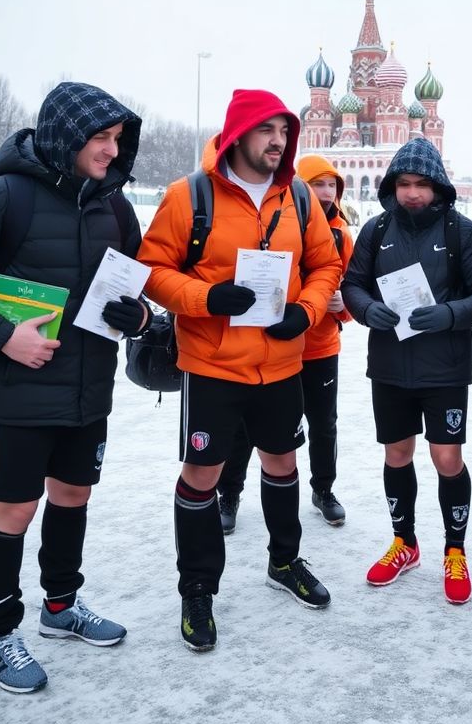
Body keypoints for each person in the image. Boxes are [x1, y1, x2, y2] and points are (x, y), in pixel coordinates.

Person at [0, 82, 148, 694]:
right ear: (67, 138)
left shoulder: (115, 207)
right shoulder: (2, 197)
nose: (111, 150)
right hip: (16, 388)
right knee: (15, 510)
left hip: (87, 388)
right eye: (101, 138)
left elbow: (133, 286)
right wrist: (2, 337)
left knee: (73, 496)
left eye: (117, 139)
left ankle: (62, 606)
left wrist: (140, 317)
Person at [137, 89, 341, 653]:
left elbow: (326, 265)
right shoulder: (189, 196)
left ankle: (284, 560)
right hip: (211, 365)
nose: (278, 141)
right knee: (202, 475)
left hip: (280, 365)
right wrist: (208, 298)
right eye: (266, 130)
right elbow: (150, 270)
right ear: (238, 133)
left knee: (282, 461)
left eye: (284, 131)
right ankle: (197, 589)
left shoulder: (298, 197)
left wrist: (305, 311)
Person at [341, 138, 472, 605]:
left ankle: (455, 549)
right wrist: (368, 309)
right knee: (396, 454)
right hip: (390, 365)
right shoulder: (375, 229)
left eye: (422, 185)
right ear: (393, 186)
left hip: (444, 368)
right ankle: (404, 543)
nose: (412, 193)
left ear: (439, 187)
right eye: (405, 184)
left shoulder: (461, 232)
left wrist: (450, 314)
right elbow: (353, 284)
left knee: (446, 459)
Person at [216, 152, 355, 532]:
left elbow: (353, 292)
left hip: (319, 347)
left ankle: (323, 489)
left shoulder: (342, 234)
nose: (326, 193)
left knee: (323, 423)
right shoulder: (275, 225)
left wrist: (343, 308)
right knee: (248, 425)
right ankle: (230, 492)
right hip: (270, 346)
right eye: (317, 184)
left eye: (332, 185)